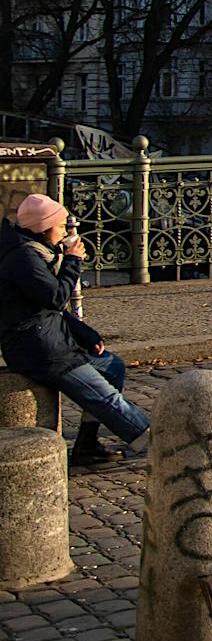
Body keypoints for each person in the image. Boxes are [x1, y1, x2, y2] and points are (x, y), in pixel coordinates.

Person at [0, 193, 149, 464]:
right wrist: (72, 260)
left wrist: (84, 333)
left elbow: (46, 308)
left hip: (52, 340)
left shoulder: (36, 251)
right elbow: (54, 298)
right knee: (105, 398)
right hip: (40, 351)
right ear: (44, 228)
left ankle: (87, 445)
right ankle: (159, 441)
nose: (65, 232)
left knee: (111, 366)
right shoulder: (24, 258)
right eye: (60, 226)